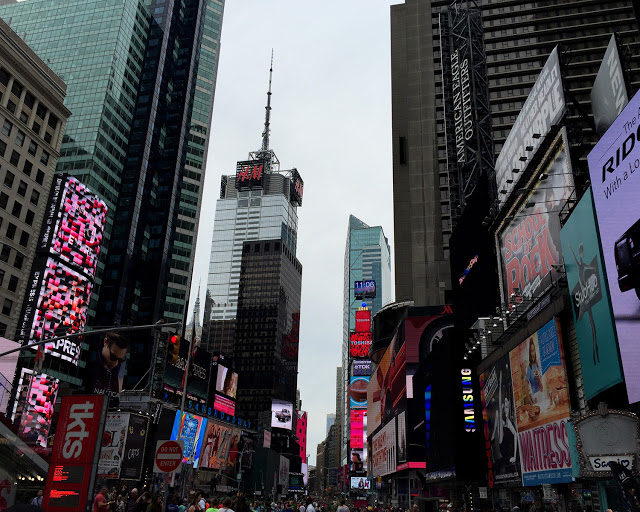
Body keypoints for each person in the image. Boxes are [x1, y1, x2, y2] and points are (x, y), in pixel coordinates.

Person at [570, 243, 600, 364]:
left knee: (591, 318)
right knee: (587, 317)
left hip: (585, 294)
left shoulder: (583, 264)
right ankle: (594, 348)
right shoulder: (579, 264)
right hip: (583, 294)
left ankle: (595, 346)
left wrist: (593, 268)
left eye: (581, 253)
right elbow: (574, 258)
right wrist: (571, 248)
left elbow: (591, 267)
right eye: (580, 253)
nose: (581, 255)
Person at [90, 332, 129, 399]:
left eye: (120, 360)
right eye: (113, 357)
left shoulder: (117, 370)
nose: (116, 363)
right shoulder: (91, 362)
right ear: (105, 343)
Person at [526, 338, 543, 403]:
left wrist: (538, 377)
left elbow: (541, 386)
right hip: (535, 396)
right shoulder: (529, 368)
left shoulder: (537, 364)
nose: (533, 353)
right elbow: (526, 387)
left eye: (533, 350)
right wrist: (530, 402)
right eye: (531, 351)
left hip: (541, 393)